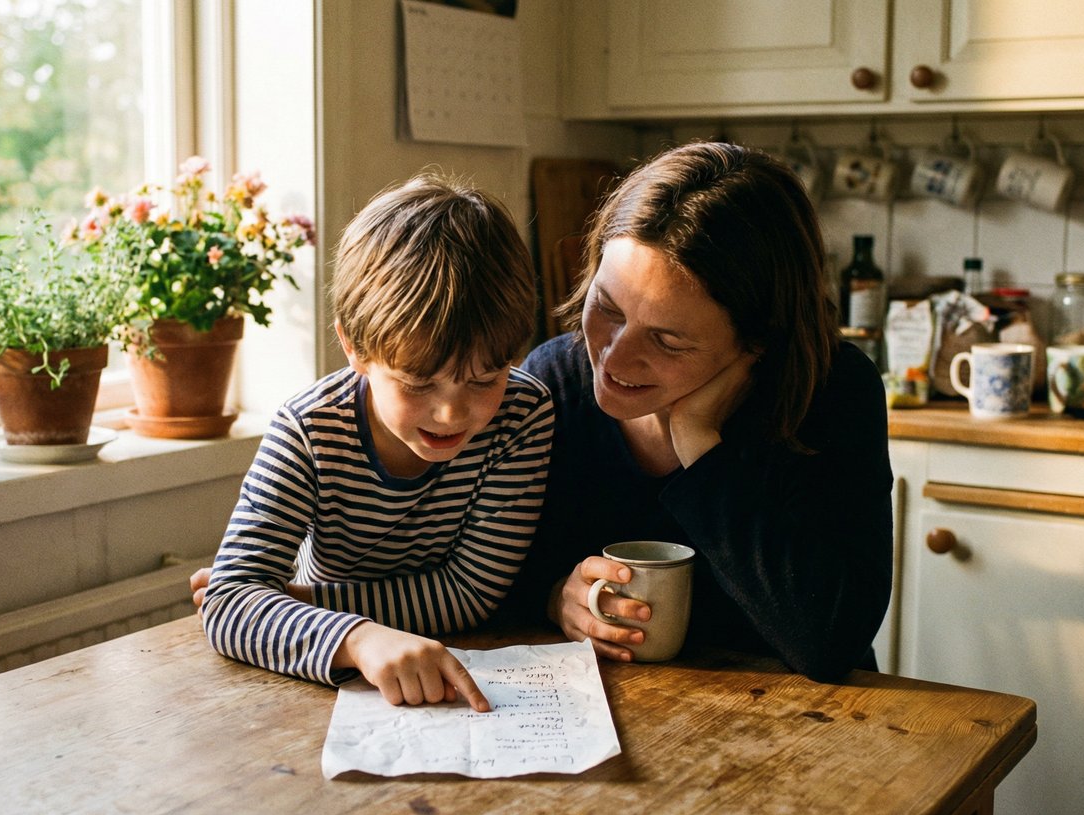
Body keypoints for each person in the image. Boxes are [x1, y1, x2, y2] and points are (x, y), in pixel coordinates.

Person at [502, 140, 892, 683]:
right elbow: (488, 583)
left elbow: (830, 642)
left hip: (803, 729)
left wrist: (702, 447)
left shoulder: (830, 394)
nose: (613, 358)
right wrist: (553, 600)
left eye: (666, 340)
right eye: (607, 308)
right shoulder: (553, 385)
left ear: (757, 344)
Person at [196, 174, 553, 712]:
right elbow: (227, 602)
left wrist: (303, 603)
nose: (453, 412)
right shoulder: (308, 429)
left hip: (450, 658)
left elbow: (471, 591)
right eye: (417, 383)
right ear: (354, 347)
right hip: (324, 681)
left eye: (486, 378)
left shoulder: (523, 415)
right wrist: (359, 639)